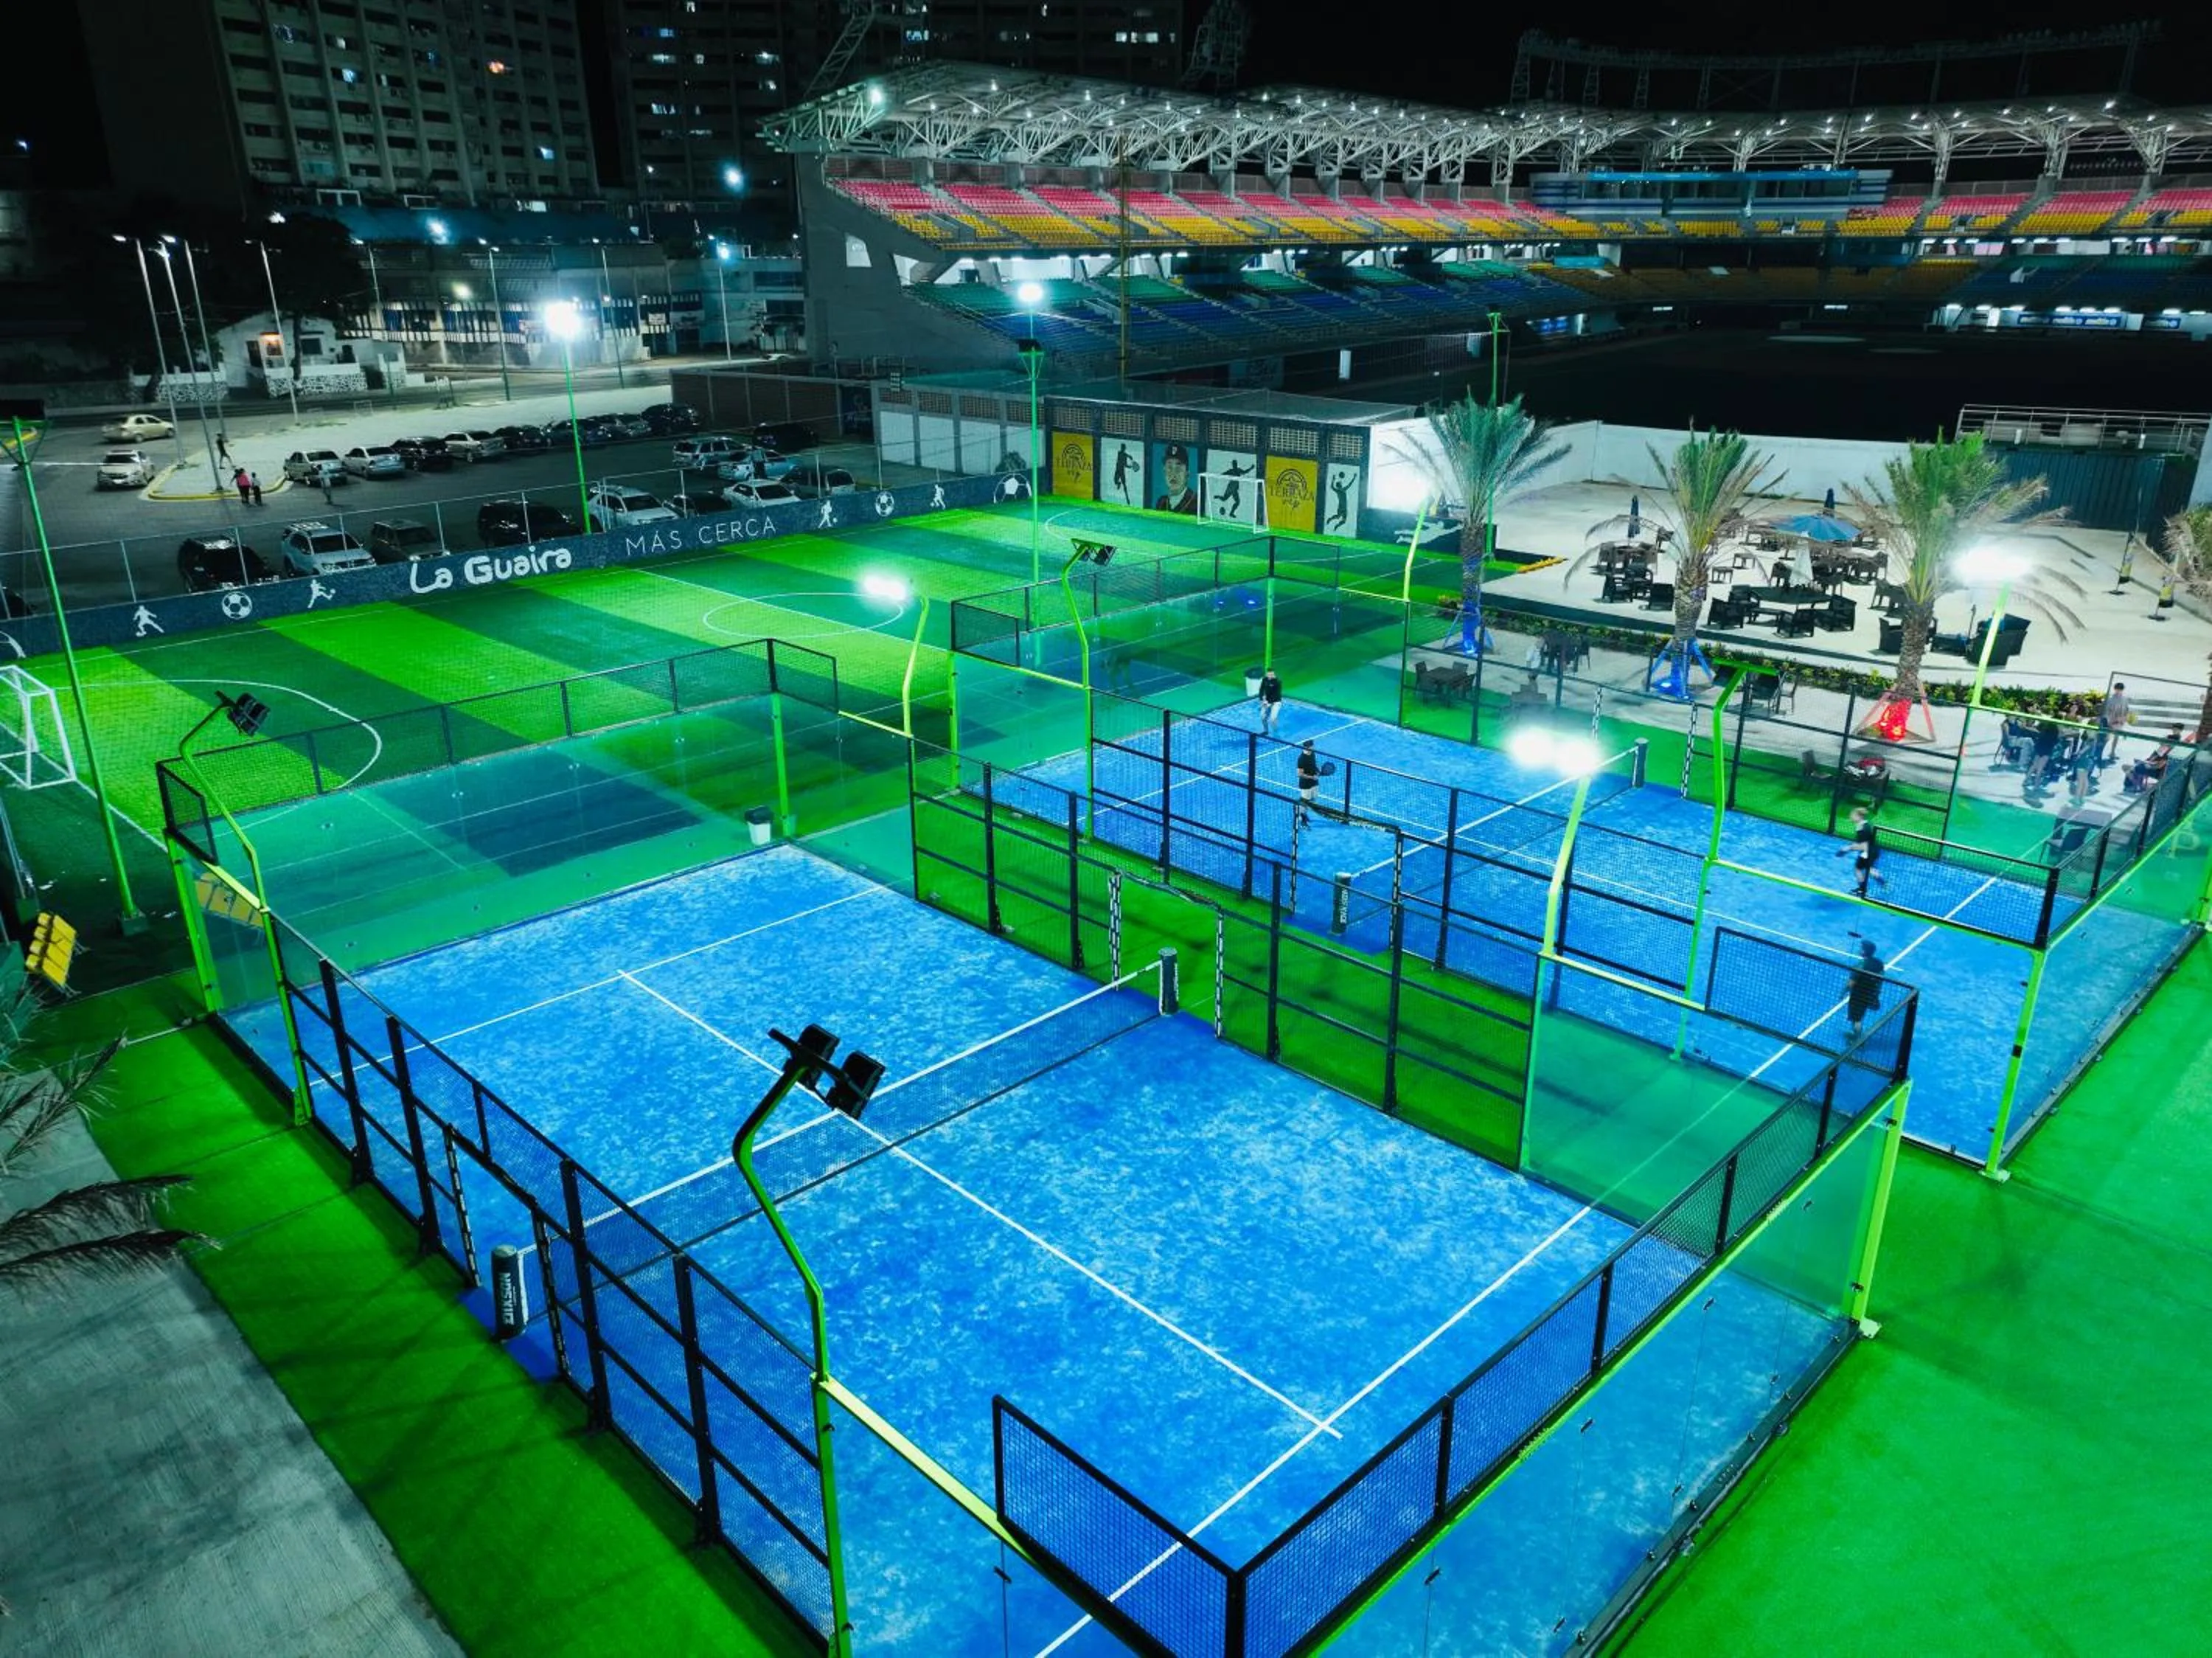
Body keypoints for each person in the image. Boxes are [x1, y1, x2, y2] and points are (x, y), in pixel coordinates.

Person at [1835, 806, 1885, 898]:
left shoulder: (1864, 828)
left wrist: (1848, 849)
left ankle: (1863, 889)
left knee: (1861, 868)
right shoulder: (1862, 826)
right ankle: (1878, 881)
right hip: (1869, 851)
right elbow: (1861, 843)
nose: (1850, 817)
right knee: (1864, 868)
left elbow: (1864, 845)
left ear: (1859, 816)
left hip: (1869, 852)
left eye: (1852, 815)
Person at [1846, 937, 1885, 1041]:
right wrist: (1876, 993)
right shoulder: (1879, 963)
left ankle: (1857, 1040)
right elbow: (1881, 978)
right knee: (1860, 1016)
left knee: (1856, 1020)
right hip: (1870, 994)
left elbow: (1851, 984)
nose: (1859, 949)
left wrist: (1844, 992)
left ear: (1864, 951)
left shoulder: (1860, 965)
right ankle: (1858, 1037)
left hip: (1858, 996)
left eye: (1861, 948)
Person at [1152, 442, 1197, 515]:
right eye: (1169, 468)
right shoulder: (1162, 503)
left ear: (1187, 474)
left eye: (1178, 468)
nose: (1173, 474)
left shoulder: (1195, 503)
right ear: (1164, 471)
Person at [2098, 681, 2132, 766]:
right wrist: (2111, 721)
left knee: (2116, 737)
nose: (2119, 691)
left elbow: (2127, 710)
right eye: (2117, 689)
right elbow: (2107, 711)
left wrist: (2124, 718)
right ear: (2115, 689)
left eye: (2120, 690)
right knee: (2107, 737)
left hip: (2120, 721)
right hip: (2112, 721)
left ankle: (2113, 752)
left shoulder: (2124, 699)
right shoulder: (2111, 700)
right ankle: (2100, 752)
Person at [1295, 739, 1321, 828]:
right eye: (1312, 746)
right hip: (1306, 784)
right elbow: (1299, 774)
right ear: (1308, 747)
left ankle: (1304, 814)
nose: (1313, 747)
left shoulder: (1313, 753)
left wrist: (1317, 770)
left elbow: (1315, 764)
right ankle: (1302, 819)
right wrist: (1312, 777)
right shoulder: (1302, 759)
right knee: (1305, 802)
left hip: (1315, 782)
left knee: (1314, 799)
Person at [1256, 667, 1284, 735]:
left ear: (1274, 674)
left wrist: (1268, 703)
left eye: (1272, 675)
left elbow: (1276, 694)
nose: (1271, 676)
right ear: (1267, 674)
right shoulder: (1264, 680)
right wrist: (1261, 700)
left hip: (1276, 702)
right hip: (1267, 702)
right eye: (1269, 675)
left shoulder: (1277, 682)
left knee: (1272, 719)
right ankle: (1266, 731)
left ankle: (1276, 731)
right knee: (1263, 717)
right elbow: (1261, 690)